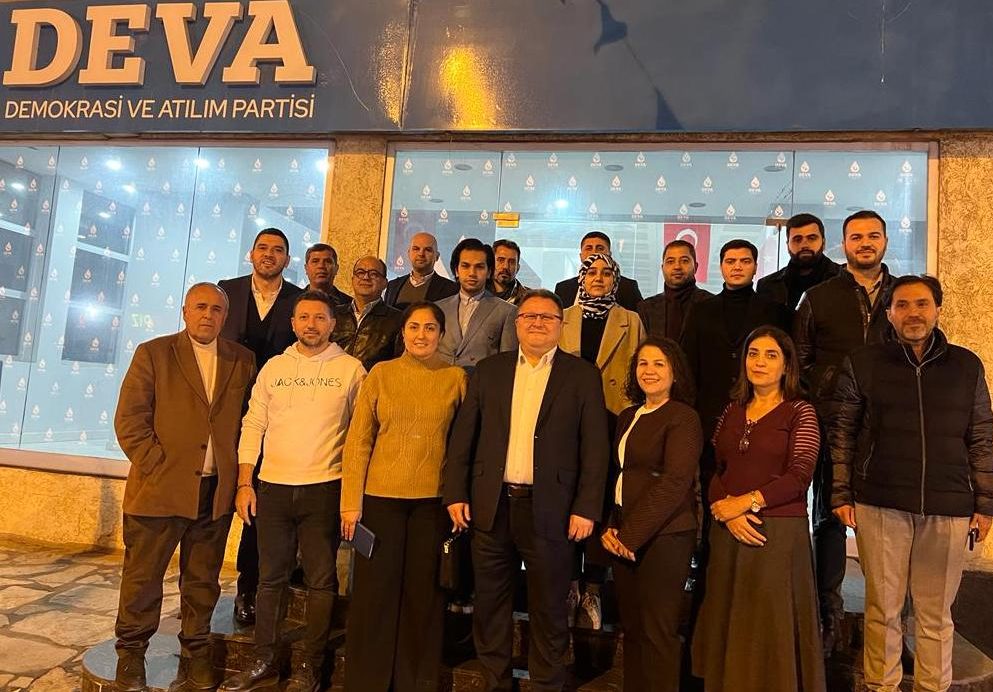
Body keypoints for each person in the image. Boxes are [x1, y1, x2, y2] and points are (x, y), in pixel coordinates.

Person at [830, 274, 993, 692]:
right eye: (902, 305)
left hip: (949, 506)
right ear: (889, 313)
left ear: (937, 309)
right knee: (882, 609)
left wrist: (985, 503)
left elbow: (982, 436)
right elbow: (843, 432)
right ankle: (881, 687)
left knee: (936, 616)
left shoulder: (966, 366)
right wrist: (841, 492)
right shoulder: (863, 362)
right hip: (880, 502)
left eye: (922, 303)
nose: (913, 313)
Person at [443, 288, 610, 692]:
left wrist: (587, 507)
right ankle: (495, 683)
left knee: (550, 607)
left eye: (547, 317)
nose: (537, 323)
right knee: (490, 605)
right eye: (529, 316)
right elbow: (464, 437)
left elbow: (595, 447)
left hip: (553, 509)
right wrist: (455, 493)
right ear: (517, 324)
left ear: (561, 325)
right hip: (491, 506)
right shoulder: (489, 370)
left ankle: (547, 683)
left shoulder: (582, 375)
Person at [112, 283, 256, 692]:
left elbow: (248, 421)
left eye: (216, 309)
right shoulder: (154, 353)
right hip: (159, 490)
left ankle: (196, 653)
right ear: (185, 311)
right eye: (200, 307)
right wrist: (157, 465)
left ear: (225, 316)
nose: (208, 315)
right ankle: (131, 654)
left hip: (214, 494)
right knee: (142, 579)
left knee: (203, 581)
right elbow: (129, 420)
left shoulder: (242, 359)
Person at [220, 290, 365, 692]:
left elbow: (360, 436)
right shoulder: (274, 368)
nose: (311, 325)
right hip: (273, 489)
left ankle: (309, 666)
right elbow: (253, 425)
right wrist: (245, 482)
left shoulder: (351, 370)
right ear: (293, 323)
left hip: (324, 489)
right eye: (304, 317)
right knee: (270, 579)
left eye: (319, 318)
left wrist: (353, 495)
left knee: (321, 582)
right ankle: (264, 659)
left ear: (333, 324)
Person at [341, 301, 468, 691]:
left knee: (423, 597)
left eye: (430, 328)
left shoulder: (456, 378)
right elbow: (358, 442)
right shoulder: (381, 374)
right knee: (373, 595)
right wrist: (350, 503)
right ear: (403, 332)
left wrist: (458, 497)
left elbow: (462, 446)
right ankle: (367, 681)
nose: (421, 335)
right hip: (380, 501)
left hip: (432, 503)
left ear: (442, 334)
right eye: (414, 327)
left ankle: (416, 681)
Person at [692, 327, 826, 692]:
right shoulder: (732, 410)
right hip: (729, 530)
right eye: (753, 354)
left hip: (775, 534)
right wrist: (727, 509)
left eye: (770, 355)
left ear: (787, 365)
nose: (760, 362)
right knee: (728, 618)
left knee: (769, 624)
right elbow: (715, 466)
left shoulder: (800, 412)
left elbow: (800, 476)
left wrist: (745, 503)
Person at [793, 209, 896, 651]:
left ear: (885, 241)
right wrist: (823, 397)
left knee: (890, 524)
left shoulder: (903, 296)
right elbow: (800, 361)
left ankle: (891, 620)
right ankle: (829, 612)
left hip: (890, 427)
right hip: (831, 423)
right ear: (844, 243)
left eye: (873, 235)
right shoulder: (818, 297)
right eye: (856, 236)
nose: (865, 243)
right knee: (830, 518)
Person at [601, 337, 703, 692]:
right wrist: (612, 527)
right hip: (624, 534)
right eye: (643, 363)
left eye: (659, 363)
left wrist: (630, 535)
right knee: (632, 630)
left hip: (665, 537)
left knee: (658, 632)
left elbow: (675, 482)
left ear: (675, 372)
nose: (649, 370)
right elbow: (620, 477)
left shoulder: (683, 417)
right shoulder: (628, 416)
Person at [218, 227, 303, 625]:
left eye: (278, 250)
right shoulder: (226, 292)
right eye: (263, 248)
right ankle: (200, 587)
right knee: (219, 499)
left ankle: (248, 587)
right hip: (226, 414)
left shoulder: (298, 299)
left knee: (260, 504)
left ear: (287, 259)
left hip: (277, 418)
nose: (270, 254)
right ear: (251, 254)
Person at [559, 252, 644, 629]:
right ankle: (570, 586)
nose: (598, 278)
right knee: (566, 499)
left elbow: (639, 373)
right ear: (581, 277)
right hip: (569, 422)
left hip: (612, 419)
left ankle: (593, 589)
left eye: (606, 273)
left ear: (615, 280)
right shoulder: (563, 317)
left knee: (603, 500)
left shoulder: (631, 320)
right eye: (591, 272)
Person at [436, 238, 518, 370]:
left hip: (482, 381)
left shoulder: (507, 312)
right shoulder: (438, 308)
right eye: (465, 266)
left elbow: (506, 363)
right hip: (441, 379)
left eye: (479, 267)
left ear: (489, 272)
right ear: (456, 270)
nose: (472, 273)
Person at [757, 213, 841, 310]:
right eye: (797, 239)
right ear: (788, 245)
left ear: (823, 242)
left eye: (812, 238)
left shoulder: (844, 279)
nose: (804, 245)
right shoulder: (767, 286)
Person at [332, 256, 403, 371]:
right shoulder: (333, 314)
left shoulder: (397, 320)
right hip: (334, 380)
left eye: (374, 274)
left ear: (385, 283)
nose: (366, 277)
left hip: (373, 381)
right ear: (353, 280)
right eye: (360, 272)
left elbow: (399, 364)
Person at [637, 239, 713, 341]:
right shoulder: (646, 308)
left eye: (684, 261)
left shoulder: (711, 304)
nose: (677, 267)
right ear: (663, 268)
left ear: (696, 267)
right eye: (670, 261)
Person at [554, 231, 643, 311]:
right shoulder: (563, 288)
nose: (594, 252)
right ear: (581, 256)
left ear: (609, 254)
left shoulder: (628, 288)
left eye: (600, 248)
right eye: (589, 248)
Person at [384, 231, 458, 310]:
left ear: (437, 256)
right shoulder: (392, 286)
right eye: (416, 249)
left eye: (428, 250)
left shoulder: (450, 289)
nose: (421, 254)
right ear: (409, 253)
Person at [303, 242, 352, 307]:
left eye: (328, 261)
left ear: (336, 269)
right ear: (306, 268)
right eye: (315, 261)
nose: (321, 266)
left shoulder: (350, 305)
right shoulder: (292, 301)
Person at [489, 238, 531, 305]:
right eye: (501, 260)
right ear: (491, 263)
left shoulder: (529, 299)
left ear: (517, 268)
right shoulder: (477, 293)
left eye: (511, 262)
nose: (505, 266)